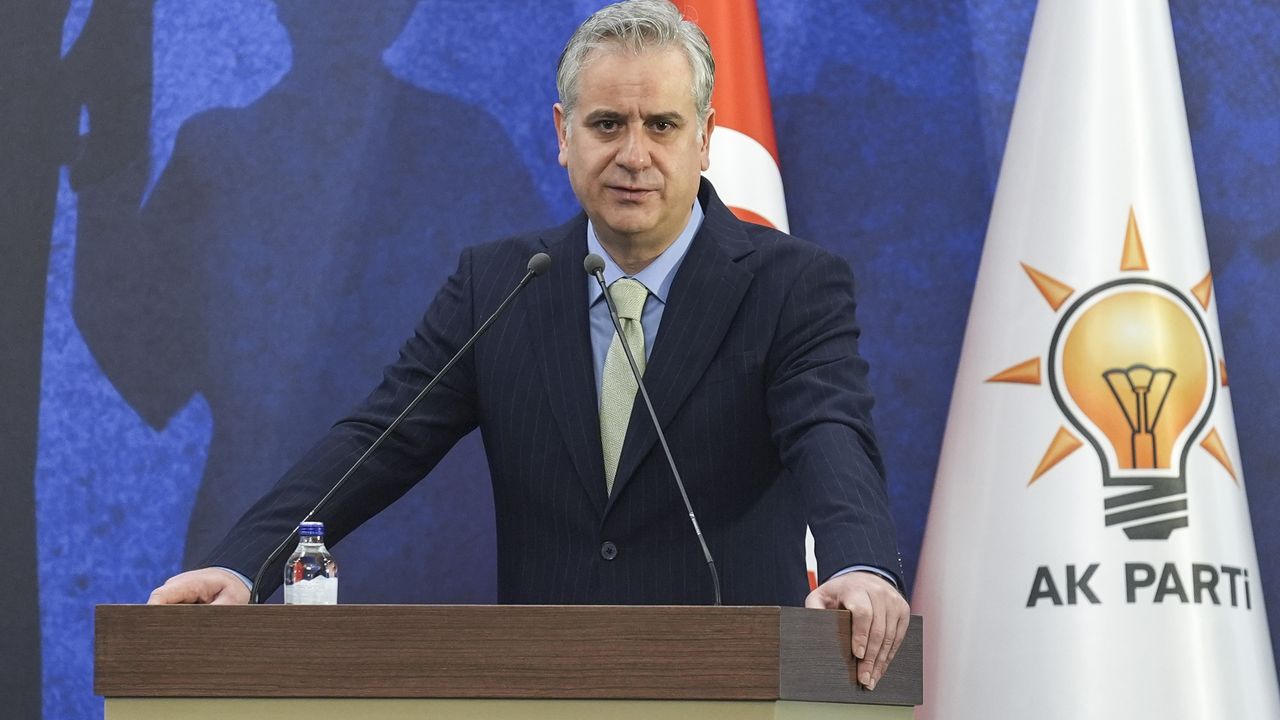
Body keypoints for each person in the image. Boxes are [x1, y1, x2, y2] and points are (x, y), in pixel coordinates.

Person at [149, 0, 910, 691]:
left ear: (705, 138)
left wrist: (860, 565)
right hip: (544, 685)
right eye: (607, 124)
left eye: (662, 125)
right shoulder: (500, 284)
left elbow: (830, 433)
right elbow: (381, 437)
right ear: (562, 135)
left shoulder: (789, 285)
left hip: (729, 685)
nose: (634, 154)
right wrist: (243, 563)